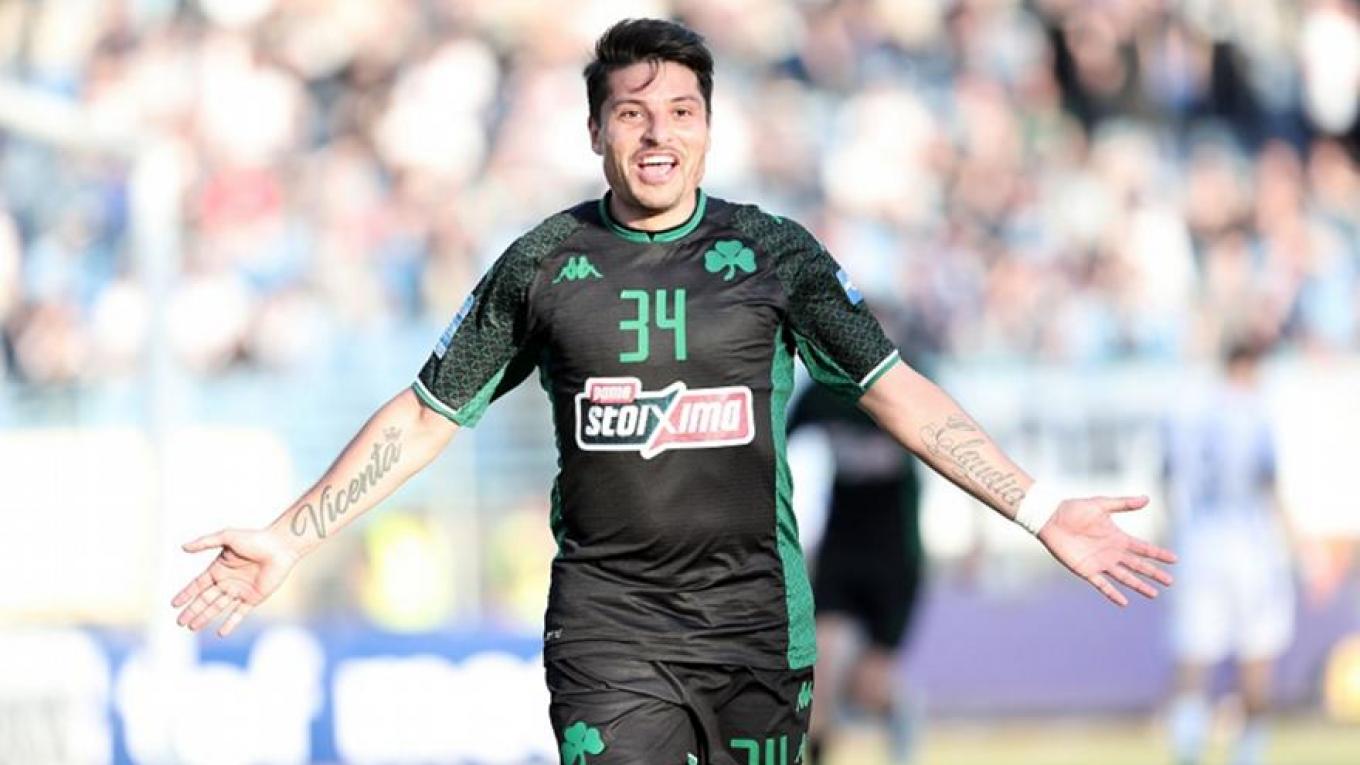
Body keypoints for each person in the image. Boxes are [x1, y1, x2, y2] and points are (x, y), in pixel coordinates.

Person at [173, 19, 1175, 765]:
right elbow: (427, 413)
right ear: (594, 131)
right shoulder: (542, 264)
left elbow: (895, 392)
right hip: (607, 628)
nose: (659, 135)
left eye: (682, 113)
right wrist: (292, 535)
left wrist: (1039, 509)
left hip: (757, 628)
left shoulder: (776, 257)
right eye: (632, 114)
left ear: (708, 129)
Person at [787, 310, 927, 764]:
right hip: (841, 551)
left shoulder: (910, 387)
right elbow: (773, 446)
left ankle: (900, 719)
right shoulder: (824, 393)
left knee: (869, 689)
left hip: (895, 557)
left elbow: (958, 446)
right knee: (822, 673)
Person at [1163, 336, 1296, 765]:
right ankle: (1248, 755)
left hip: (1197, 542)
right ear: (1247, 366)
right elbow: (1267, 481)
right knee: (1256, 656)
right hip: (1249, 544)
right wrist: (1297, 544)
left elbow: (1167, 478)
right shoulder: (1253, 413)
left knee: (1192, 660)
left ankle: (1187, 752)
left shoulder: (1187, 411)